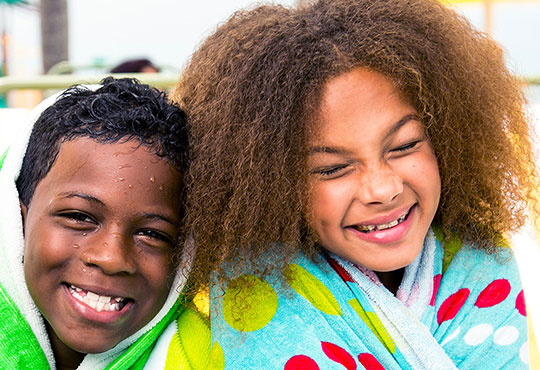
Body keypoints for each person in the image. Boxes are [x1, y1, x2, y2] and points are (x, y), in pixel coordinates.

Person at [174, 0, 540, 368]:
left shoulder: (482, 259)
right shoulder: (252, 292)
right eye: (332, 168)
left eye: (405, 145)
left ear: (447, 137)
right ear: (269, 185)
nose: (382, 189)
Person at [0, 77, 191, 369]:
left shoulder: (200, 354)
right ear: (16, 218)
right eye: (79, 217)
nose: (112, 258)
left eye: (152, 234)